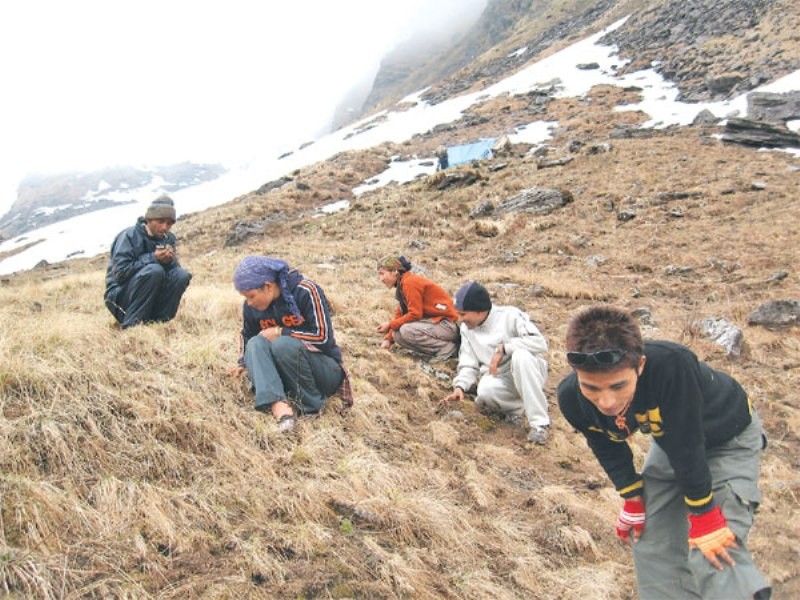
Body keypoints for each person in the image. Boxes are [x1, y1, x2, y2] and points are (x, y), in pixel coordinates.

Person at [557, 305, 770, 600]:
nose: (605, 401)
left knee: (712, 544)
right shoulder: (571, 397)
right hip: (670, 443)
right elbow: (605, 444)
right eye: (591, 387)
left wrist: (703, 512)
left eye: (618, 386)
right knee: (651, 537)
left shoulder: (672, 364)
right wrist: (632, 495)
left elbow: (687, 442)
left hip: (728, 439)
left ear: (640, 366)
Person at [230, 256, 351, 432]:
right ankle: (279, 408)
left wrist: (282, 332)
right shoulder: (251, 307)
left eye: (251, 296)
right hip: (288, 373)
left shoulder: (306, 291)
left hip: (325, 371)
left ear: (268, 286)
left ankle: (310, 406)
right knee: (256, 343)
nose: (249, 302)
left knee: (283, 344)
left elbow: (323, 338)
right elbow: (247, 335)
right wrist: (243, 362)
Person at [442, 280, 550, 444]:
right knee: (485, 391)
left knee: (520, 356)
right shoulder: (466, 330)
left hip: (529, 370)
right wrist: (460, 386)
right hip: (500, 377)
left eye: (463, 314)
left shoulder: (511, 315)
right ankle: (519, 408)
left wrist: (505, 348)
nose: (460, 319)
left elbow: (540, 343)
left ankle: (540, 424)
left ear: (480, 311)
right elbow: (468, 362)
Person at [104, 195, 192, 328]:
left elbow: (173, 274)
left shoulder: (168, 238)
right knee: (154, 271)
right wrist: (154, 258)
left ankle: (160, 324)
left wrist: (169, 261)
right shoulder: (129, 236)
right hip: (120, 297)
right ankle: (132, 326)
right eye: (161, 221)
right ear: (149, 219)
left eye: (169, 223)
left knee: (181, 275)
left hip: (150, 295)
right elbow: (120, 273)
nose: (164, 227)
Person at [375, 255, 460, 361]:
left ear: (395, 271)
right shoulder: (403, 285)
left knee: (406, 330)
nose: (381, 279)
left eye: (382, 274)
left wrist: (390, 325)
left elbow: (415, 314)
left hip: (448, 325)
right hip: (439, 326)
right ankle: (438, 351)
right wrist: (388, 340)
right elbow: (400, 313)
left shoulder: (410, 283)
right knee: (397, 335)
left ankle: (448, 350)